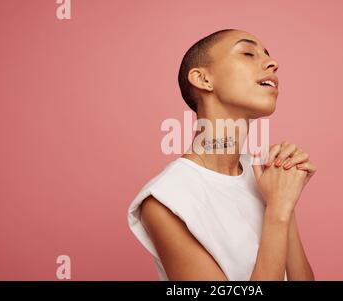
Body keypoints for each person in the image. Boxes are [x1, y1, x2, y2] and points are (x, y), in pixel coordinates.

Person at [127, 29, 317, 280]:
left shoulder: (265, 175)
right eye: (248, 53)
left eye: (268, 56)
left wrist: (284, 201)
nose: (273, 63)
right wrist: (278, 212)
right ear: (203, 79)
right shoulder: (166, 200)